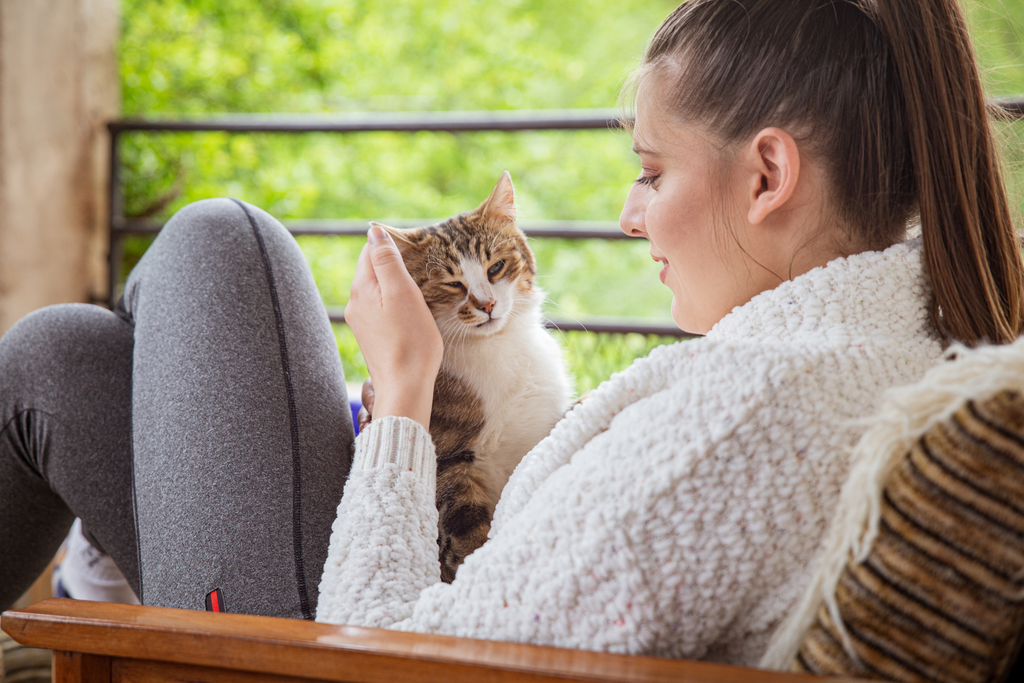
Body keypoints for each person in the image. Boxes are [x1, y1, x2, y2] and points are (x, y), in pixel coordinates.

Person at [1, 0, 1021, 669]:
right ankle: (116, 519)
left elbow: (388, 648)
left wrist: (403, 387)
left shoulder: (751, 412)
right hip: (380, 596)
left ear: (766, 174)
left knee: (222, 240)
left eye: (652, 171)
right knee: (59, 354)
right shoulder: (894, 344)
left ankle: (109, 552)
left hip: (323, 649)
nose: (628, 212)